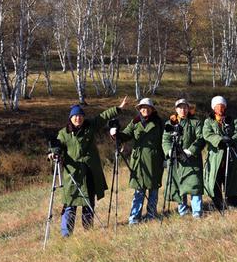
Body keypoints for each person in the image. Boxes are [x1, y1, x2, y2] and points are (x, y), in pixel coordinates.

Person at [48, 96, 128, 237]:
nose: (78, 118)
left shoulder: (90, 126)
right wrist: (53, 154)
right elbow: (57, 146)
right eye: (75, 116)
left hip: (89, 172)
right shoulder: (64, 133)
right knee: (70, 204)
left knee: (88, 204)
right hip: (72, 175)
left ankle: (88, 231)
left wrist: (118, 109)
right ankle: (66, 234)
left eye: (80, 116)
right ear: (70, 118)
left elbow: (103, 117)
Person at [110, 97, 164, 224]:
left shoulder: (159, 122)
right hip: (139, 161)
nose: (144, 109)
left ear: (152, 109)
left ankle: (151, 215)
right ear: (139, 109)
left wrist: (165, 157)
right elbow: (126, 135)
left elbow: (165, 140)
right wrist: (116, 134)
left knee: (153, 189)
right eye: (142, 107)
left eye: (146, 107)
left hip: (154, 159)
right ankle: (134, 218)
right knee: (139, 190)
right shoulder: (134, 122)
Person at [162, 98, 205, 218]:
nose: (183, 110)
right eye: (180, 108)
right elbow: (165, 140)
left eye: (185, 107)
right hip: (175, 160)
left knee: (194, 185)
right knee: (178, 185)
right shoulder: (170, 123)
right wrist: (169, 151)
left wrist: (190, 151)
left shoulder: (196, 122)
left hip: (192, 160)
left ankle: (197, 212)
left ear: (188, 109)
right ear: (176, 109)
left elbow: (200, 138)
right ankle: (183, 211)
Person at [203, 95, 237, 211]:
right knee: (215, 180)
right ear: (213, 108)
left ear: (225, 107)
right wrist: (220, 140)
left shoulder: (233, 119)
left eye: (222, 106)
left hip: (231, 154)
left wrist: (232, 141)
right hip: (216, 156)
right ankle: (217, 204)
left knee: (231, 179)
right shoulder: (209, 121)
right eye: (217, 106)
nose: (220, 109)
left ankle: (232, 202)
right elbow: (207, 134)